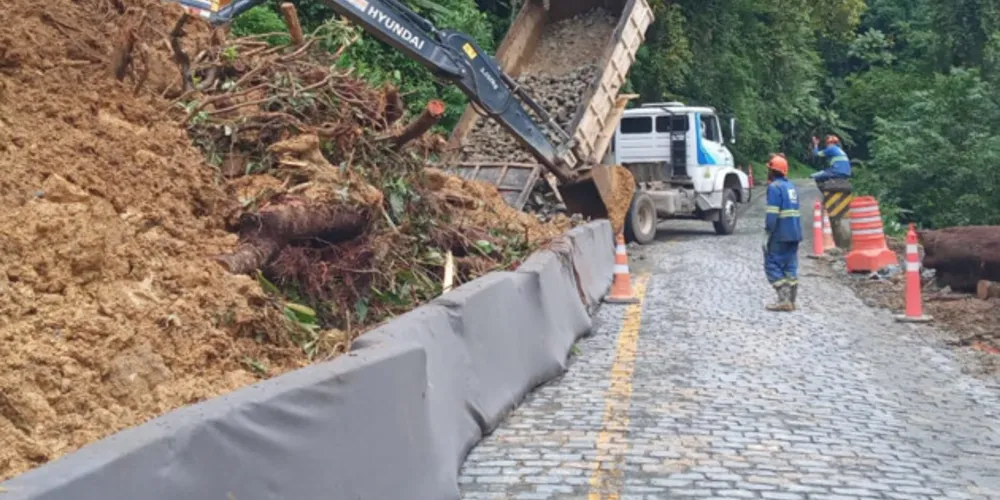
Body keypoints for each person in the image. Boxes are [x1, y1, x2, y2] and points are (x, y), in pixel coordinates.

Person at [763, 153, 802, 312]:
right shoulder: (791, 186)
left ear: (772, 171)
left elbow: (772, 213)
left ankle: (784, 300)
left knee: (772, 263)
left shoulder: (774, 187)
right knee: (790, 265)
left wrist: (768, 231)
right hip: (795, 233)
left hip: (780, 233)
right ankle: (792, 300)